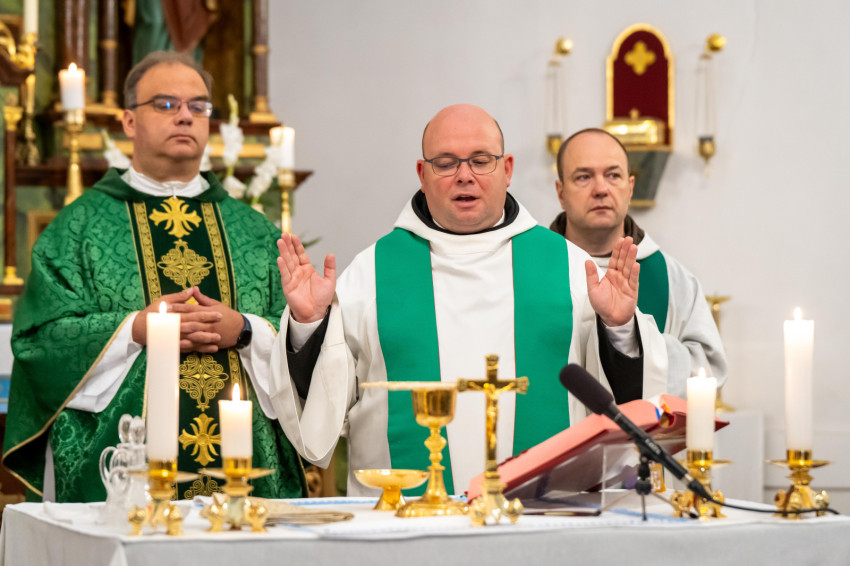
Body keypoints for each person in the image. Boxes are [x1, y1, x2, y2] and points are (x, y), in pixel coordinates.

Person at [268, 104, 669, 496]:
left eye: (481, 161)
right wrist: (309, 325)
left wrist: (618, 328)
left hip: (542, 513)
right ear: (422, 174)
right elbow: (325, 406)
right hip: (404, 517)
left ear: (507, 169)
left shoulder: (569, 266)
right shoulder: (372, 271)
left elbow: (623, 406)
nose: (464, 175)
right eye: (445, 163)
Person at [2, 51, 306, 502]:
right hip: (121, 474)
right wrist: (136, 329)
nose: (185, 116)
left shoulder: (258, 233)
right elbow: (40, 342)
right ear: (129, 122)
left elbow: (301, 341)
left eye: (198, 106)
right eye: (166, 104)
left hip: (246, 483)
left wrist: (243, 330)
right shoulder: (78, 229)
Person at [550, 128, 727, 398]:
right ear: (561, 192)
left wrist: (630, 338)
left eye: (613, 175)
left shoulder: (672, 278)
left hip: (643, 428)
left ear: (630, 188)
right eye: (583, 177)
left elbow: (709, 372)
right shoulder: (532, 269)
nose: (601, 189)